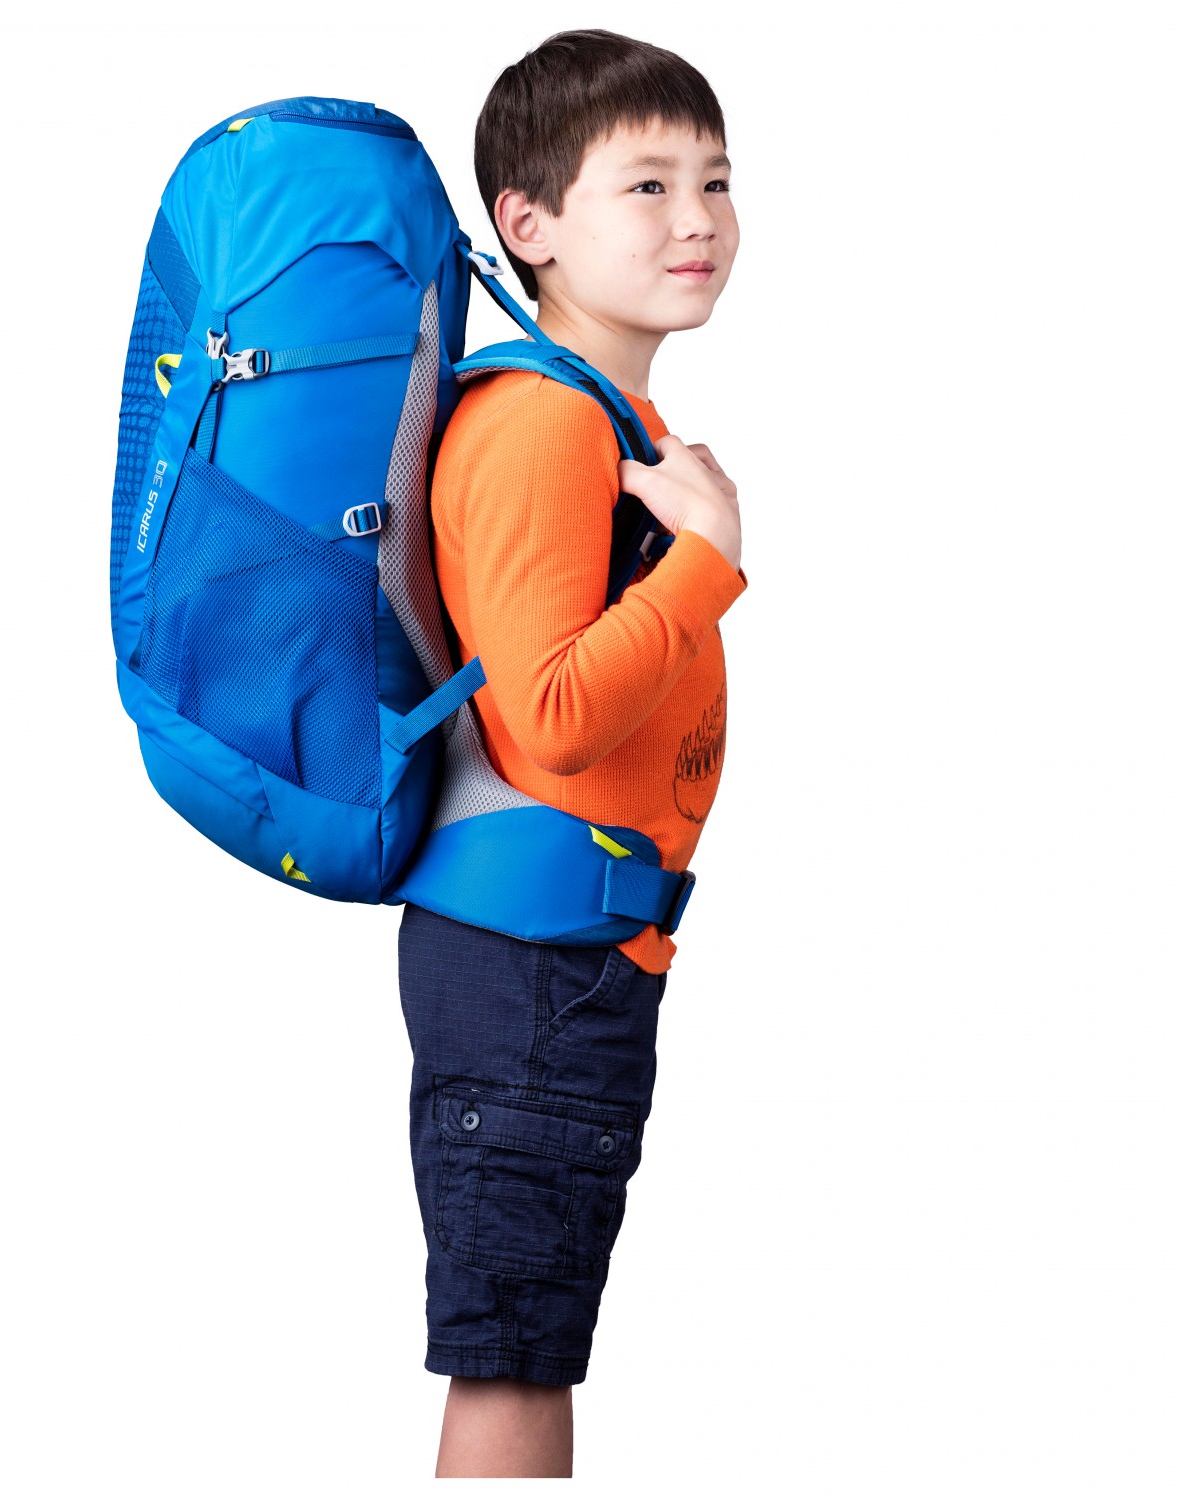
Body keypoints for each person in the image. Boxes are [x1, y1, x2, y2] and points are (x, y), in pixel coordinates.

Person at [397, 28, 749, 1477]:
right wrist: (707, 560)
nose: (697, 218)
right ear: (529, 226)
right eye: (647, 185)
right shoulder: (543, 422)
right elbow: (544, 713)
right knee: (512, 1367)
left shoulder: (606, 420)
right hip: (534, 967)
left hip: (566, 959)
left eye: (716, 180)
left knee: (529, 1352)